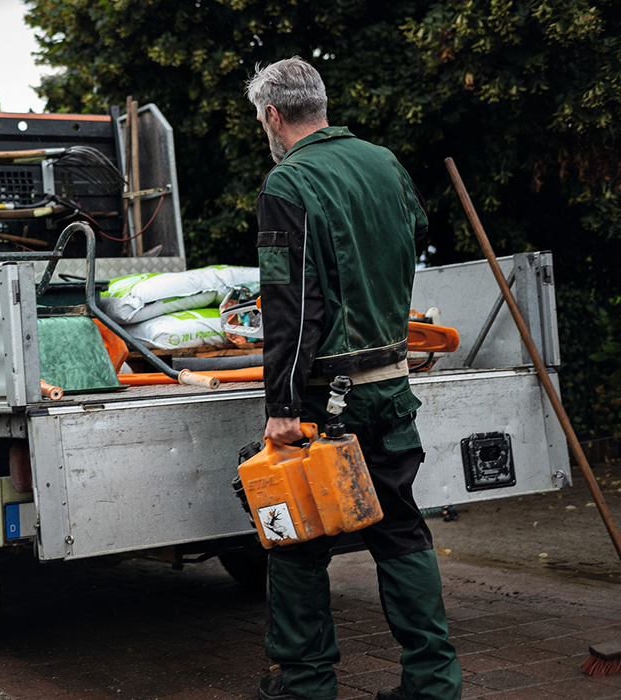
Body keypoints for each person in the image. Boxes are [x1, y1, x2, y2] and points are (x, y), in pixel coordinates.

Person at [245, 57, 462, 700]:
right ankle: (431, 684)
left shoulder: (289, 184)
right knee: (399, 528)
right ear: (322, 105)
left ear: (274, 116)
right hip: (391, 383)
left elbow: (290, 304)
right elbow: (414, 236)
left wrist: (281, 404)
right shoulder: (384, 163)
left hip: (323, 398)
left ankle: (307, 683)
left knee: (298, 540)